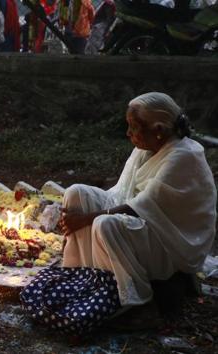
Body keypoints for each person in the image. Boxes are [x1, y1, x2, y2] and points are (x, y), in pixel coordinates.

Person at [22, 92, 217, 334]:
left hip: (170, 244)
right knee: (76, 193)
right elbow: (121, 194)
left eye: (134, 127)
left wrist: (86, 219)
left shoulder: (184, 155)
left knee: (105, 224)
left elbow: (140, 206)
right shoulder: (147, 146)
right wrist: (83, 213)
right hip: (145, 226)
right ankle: (87, 278)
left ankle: (138, 303)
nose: (128, 134)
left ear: (158, 129)